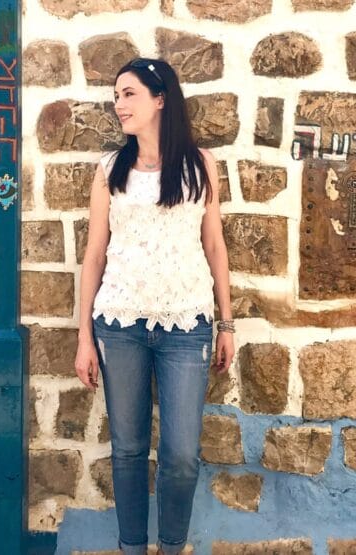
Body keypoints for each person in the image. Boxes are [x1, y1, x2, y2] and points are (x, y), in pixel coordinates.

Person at [74, 57, 235, 555]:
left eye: (129, 94)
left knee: (182, 454)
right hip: (119, 325)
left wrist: (225, 322)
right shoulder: (109, 171)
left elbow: (215, 246)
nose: (118, 104)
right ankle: (131, 548)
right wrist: (84, 336)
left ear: (160, 98)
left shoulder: (200, 165)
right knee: (127, 450)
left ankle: (171, 546)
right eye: (116, 95)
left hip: (186, 325)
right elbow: (94, 253)